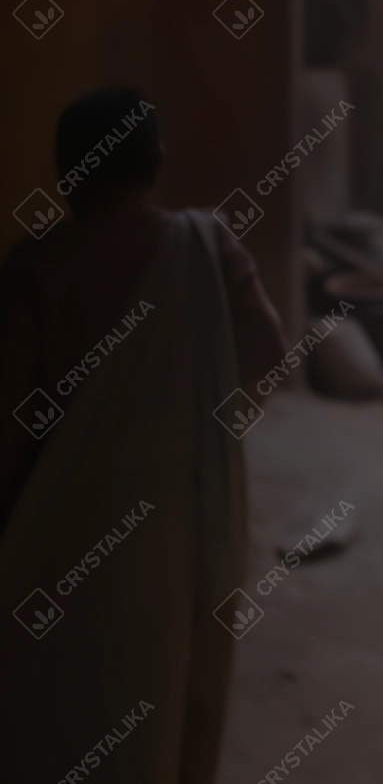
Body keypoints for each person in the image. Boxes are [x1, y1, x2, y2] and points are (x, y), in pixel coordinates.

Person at [0, 87, 287, 783]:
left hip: (60, 521)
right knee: (166, 696)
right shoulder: (203, 244)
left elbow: (12, 411)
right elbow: (265, 352)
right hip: (179, 523)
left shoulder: (33, 268)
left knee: (60, 700)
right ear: (156, 162)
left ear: (67, 174)